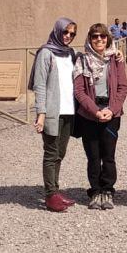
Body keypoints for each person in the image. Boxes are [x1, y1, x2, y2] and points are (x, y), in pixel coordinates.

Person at [73, 23, 127, 210]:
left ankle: (108, 190)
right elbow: (79, 91)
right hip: (90, 115)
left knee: (109, 155)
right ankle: (95, 190)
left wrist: (111, 110)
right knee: (93, 156)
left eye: (103, 37)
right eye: (95, 36)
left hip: (111, 113)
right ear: (89, 39)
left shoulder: (115, 59)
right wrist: (95, 111)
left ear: (108, 38)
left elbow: (122, 87)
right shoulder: (82, 61)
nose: (99, 40)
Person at [30, 17, 79, 212]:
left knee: (61, 152)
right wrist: (40, 113)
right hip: (52, 111)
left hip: (69, 111)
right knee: (51, 153)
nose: (68, 36)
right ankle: (50, 195)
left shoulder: (70, 53)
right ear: (57, 31)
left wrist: (114, 52)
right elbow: (39, 85)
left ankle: (55, 191)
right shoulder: (46, 53)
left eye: (72, 34)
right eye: (65, 32)